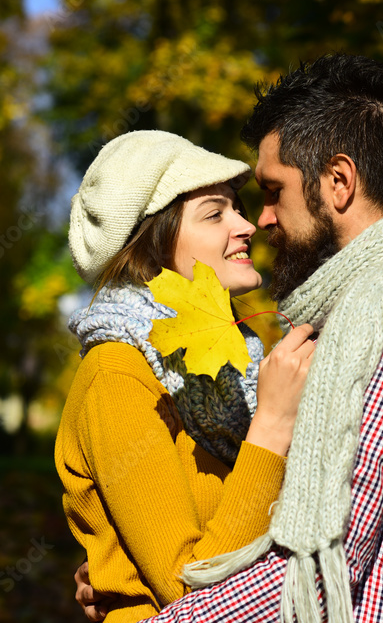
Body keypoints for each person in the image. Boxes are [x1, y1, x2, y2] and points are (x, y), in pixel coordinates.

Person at [74, 54, 383, 622]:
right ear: (158, 243)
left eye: (269, 193)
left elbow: (305, 575)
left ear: (338, 183)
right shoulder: (330, 335)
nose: (258, 221)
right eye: (217, 213)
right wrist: (118, 570)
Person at [56, 130, 317, 623]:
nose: (246, 226)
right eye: (215, 214)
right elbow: (189, 592)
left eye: (237, 208)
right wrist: (272, 426)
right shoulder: (118, 373)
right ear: (154, 245)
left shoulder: (233, 366)